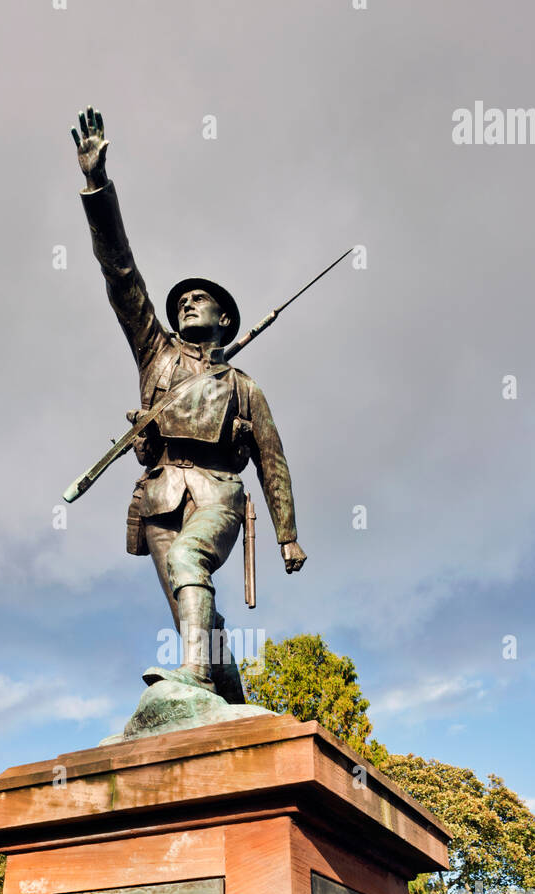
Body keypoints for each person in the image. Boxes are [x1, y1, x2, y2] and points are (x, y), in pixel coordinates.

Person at [72, 107, 307, 701]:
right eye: (181, 302)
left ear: (225, 319)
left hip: (220, 492)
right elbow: (121, 274)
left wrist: (287, 535)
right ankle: (228, 691)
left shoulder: (244, 387)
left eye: (199, 301)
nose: (186, 306)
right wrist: (98, 189)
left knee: (186, 563)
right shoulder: (156, 355)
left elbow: (273, 464)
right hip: (157, 494)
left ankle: (196, 675)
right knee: (189, 609)